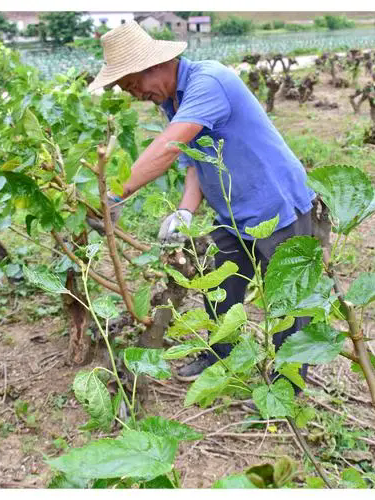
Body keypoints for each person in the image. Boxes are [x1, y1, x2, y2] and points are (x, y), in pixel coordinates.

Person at [88, 21, 315, 385]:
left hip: (277, 207)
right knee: (218, 284)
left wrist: (115, 195)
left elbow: (168, 147)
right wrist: (185, 211)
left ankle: (287, 381)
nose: (135, 95)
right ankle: (219, 355)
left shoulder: (208, 82)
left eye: (133, 85)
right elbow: (193, 160)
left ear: (155, 66)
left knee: (288, 300)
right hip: (232, 210)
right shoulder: (172, 99)